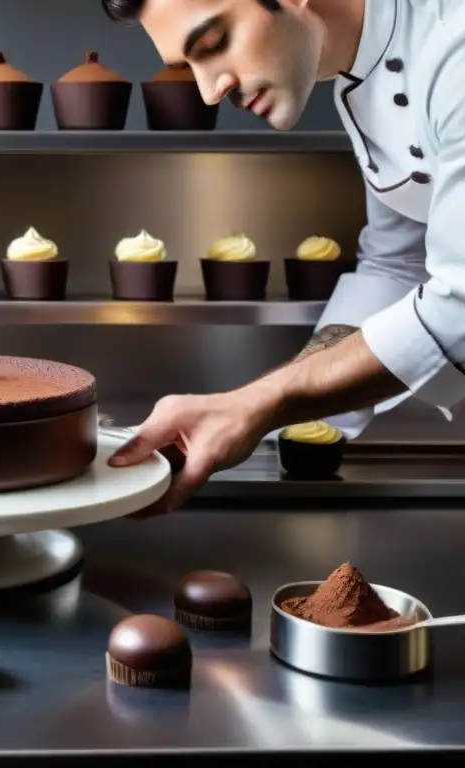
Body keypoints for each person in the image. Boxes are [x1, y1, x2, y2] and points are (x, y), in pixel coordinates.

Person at [102, 0, 465, 511]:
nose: (209, 91)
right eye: (190, 68)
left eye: (212, 44)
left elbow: (458, 308)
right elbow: (395, 263)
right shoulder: (355, 81)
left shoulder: (455, 51)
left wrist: (257, 403)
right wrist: (294, 423)